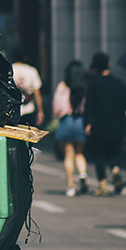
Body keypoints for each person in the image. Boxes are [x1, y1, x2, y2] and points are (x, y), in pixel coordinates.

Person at [84, 52, 126, 196]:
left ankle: (102, 184)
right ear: (109, 64)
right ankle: (115, 169)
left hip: (99, 125)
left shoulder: (93, 84)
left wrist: (88, 123)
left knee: (99, 154)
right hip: (117, 124)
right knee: (113, 152)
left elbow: (89, 106)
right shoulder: (119, 83)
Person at [53, 59, 90, 196]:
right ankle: (83, 173)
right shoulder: (84, 87)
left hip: (66, 121)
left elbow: (57, 107)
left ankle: (70, 186)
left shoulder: (63, 86)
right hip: (80, 121)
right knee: (79, 153)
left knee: (68, 155)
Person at [10, 47, 44, 127]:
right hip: (29, 110)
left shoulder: (9, 69)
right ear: (25, 57)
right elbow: (37, 93)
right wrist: (40, 111)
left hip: (12, 110)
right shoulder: (32, 71)